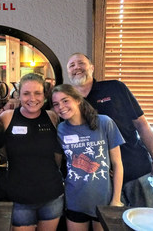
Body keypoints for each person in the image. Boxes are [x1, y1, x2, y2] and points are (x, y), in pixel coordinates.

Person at [66, 52, 153, 207]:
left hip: (136, 171)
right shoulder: (67, 103)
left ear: (92, 67)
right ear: (68, 71)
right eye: (72, 65)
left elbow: (142, 125)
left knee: (150, 221)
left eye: (81, 63)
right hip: (102, 181)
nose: (77, 67)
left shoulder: (115, 88)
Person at [52, 84, 124, 231]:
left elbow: (117, 164)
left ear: (78, 100)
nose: (61, 107)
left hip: (103, 200)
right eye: (56, 104)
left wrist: (116, 199)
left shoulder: (104, 122)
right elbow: (56, 165)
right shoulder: (61, 129)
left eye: (65, 100)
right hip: (75, 201)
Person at [0, 73, 64, 231]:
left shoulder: (53, 117)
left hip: (52, 195)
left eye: (37, 93)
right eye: (26, 93)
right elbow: (1, 150)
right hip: (19, 197)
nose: (32, 98)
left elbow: (58, 156)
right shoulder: (6, 117)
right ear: (18, 95)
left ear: (44, 95)